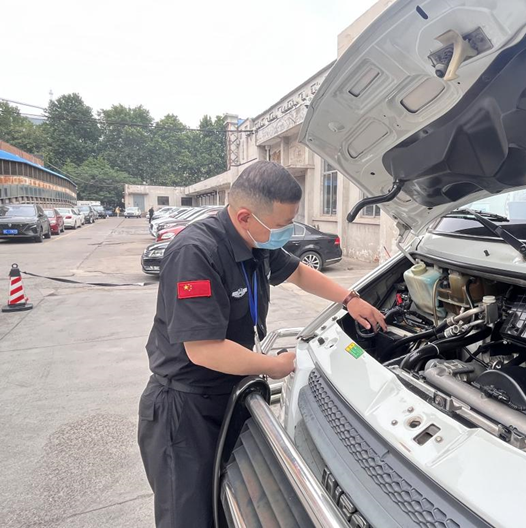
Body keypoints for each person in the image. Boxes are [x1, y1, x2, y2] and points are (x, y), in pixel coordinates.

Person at [137, 161, 386, 528]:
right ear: (244, 217)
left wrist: (350, 299)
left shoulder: (256, 243)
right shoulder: (196, 253)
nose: (286, 232)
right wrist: (275, 365)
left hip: (229, 393)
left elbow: (298, 272)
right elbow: (203, 349)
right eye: (283, 225)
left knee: (226, 506)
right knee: (189, 516)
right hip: (185, 410)